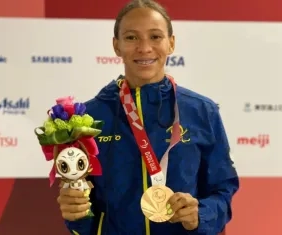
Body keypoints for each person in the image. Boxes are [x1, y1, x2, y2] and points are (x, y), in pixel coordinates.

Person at [56, 0, 239, 234]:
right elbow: (82, 207)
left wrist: (200, 215)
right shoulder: (89, 117)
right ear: (116, 46)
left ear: (171, 43)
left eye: (155, 37)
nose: (144, 48)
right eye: (131, 38)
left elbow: (223, 190)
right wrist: (76, 213)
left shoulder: (202, 111)